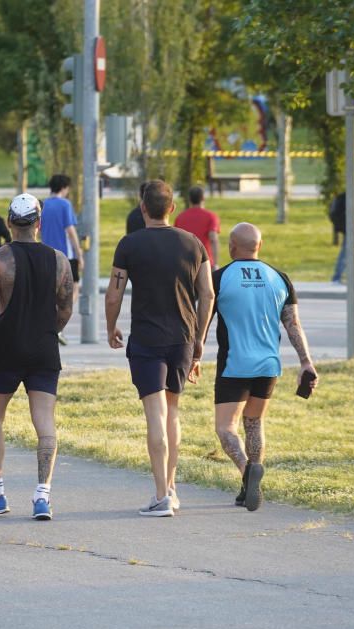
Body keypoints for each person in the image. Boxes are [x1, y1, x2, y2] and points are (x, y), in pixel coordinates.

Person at [104, 179, 215, 518]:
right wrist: (199, 340)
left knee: (156, 414)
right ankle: (173, 488)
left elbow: (113, 294)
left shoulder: (129, 245)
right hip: (182, 338)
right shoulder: (194, 244)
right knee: (173, 413)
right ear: (172, 208)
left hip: (147, 339)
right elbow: (208, 294)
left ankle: (160, 495)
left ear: (142, 208)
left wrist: (111, 328)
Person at [0, 193, 73, 521]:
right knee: (44, 422)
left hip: (8, 349)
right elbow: (65, 310)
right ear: (38, 223)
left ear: (10, 223)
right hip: (44, 349)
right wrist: (48, 330)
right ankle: (43, 497)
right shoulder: (59, 260)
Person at [211, 222, 317, 512]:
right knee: (254, 423)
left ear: (232, 246)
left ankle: (248, 472)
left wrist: (192, 355)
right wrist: (306, 362)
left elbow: (201, 322)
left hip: (234, 364)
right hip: (269, 365)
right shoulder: (279, 278)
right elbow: (293, 324)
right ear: (259, 246)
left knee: (225, 428)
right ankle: (249, 486)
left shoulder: (219, 278)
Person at [40, 174, 84, 345]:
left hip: (47, 254)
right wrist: (80, 254)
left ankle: (53, 323)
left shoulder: (43, 204)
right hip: (66, 255)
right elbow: (71, 232)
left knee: (51, 291)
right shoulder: (65, 204)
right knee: (74, 288)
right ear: (64, 188)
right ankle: (59, 323)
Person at [174, 185, 221, 269]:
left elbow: (175, 241)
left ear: (190, 199)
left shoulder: (180, 217)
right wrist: (216, 264)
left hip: (184, 264)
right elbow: (213, 239)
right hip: (205, 262)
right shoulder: (211, 217)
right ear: (203, 198)